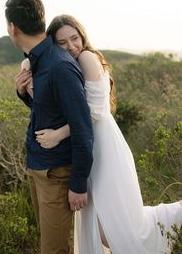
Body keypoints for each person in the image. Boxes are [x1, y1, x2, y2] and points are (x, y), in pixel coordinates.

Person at [34, 14, 182, 254]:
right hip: (89, 145)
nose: (71, 46)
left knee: (118, 229)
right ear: (54, 44)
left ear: (82, 36)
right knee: (106, 227)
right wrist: (26, 65)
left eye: (75, 38)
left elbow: (95, 112)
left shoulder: (86, 57)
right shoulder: (67, 63)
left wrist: (59, 134)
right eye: (63, 42)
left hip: (105, 148)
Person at [5, 0, 94, 254]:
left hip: (56, 174)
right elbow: (49, 111)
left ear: (13, 28)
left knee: (52, 250)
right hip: (38, 167)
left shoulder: (59, 66)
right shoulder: (36, 59)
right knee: (49, 243)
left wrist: (78, 183)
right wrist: (24, 94)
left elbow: (82, 126)